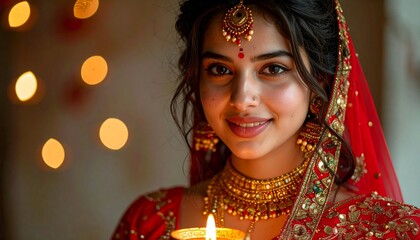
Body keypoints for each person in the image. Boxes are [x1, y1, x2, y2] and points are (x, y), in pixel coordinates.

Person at [111, 0, 420, 239]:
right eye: (220, 69)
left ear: (322, 82)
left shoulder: (388, 230)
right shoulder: (148, 222)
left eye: (273, 69)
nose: (243, 97)